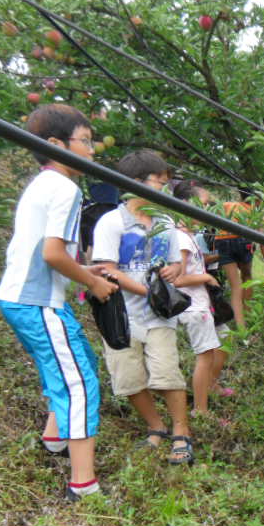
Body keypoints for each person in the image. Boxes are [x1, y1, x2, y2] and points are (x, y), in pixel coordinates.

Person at [0, 103, 118, 502]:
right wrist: (93, 285)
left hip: (25, 297)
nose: (92, 150)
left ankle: (54, 440)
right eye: (85, 141)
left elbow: (50, 251)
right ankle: (83, 485)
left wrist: (85, 270)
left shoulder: (43, 184)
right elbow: (51, 254)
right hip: (37, 302)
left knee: (72, 361)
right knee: (78, 382)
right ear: (55, 144)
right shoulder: (65, 187)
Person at [91, 149, 194, 465]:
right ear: (136, 182)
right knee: (128, 377)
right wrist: (147, 291)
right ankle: (156, 427)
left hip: (159, 315)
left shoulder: (165, 222)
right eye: (159, 181)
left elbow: (178, 265)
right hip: (122, 315)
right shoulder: (111, 222)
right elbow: (107, 269)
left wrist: (173, 274)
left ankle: (182, 432)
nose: (165, 187)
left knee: (167, 374)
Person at [173, 180, 231, 410]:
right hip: (194, 307)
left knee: (225, 340)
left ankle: (210, 387)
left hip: (202, 304)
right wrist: (206, 278)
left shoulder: (189, 236)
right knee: (205, 356)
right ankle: (201, 410)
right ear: (186, 204)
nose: (206, 209)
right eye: (203, 204)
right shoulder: (180, 238)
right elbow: (178, 278)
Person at [214, 198, 264, 330]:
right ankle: (247, 314)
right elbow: (263, 240)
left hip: (222, 240)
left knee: (235, 287)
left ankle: (241, 328)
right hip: (242, 241)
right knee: (247, 277)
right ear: (256, 200)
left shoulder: (225, 204)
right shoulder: (252, 211)